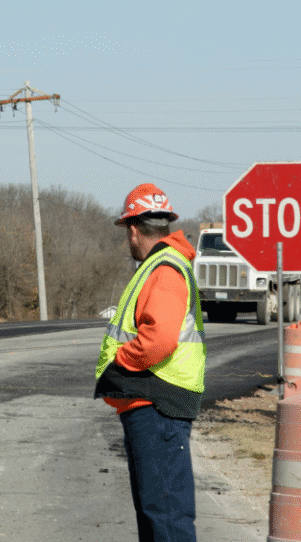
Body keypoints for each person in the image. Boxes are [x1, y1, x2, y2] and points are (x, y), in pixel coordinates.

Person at [95, 183, 207, 542]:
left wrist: (120, 362)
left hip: (157, 406)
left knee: (166, 520)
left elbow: (158, 340)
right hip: (153, 404)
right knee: (157, 516)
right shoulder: (163, 265)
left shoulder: (163, 268)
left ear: (132, 228)